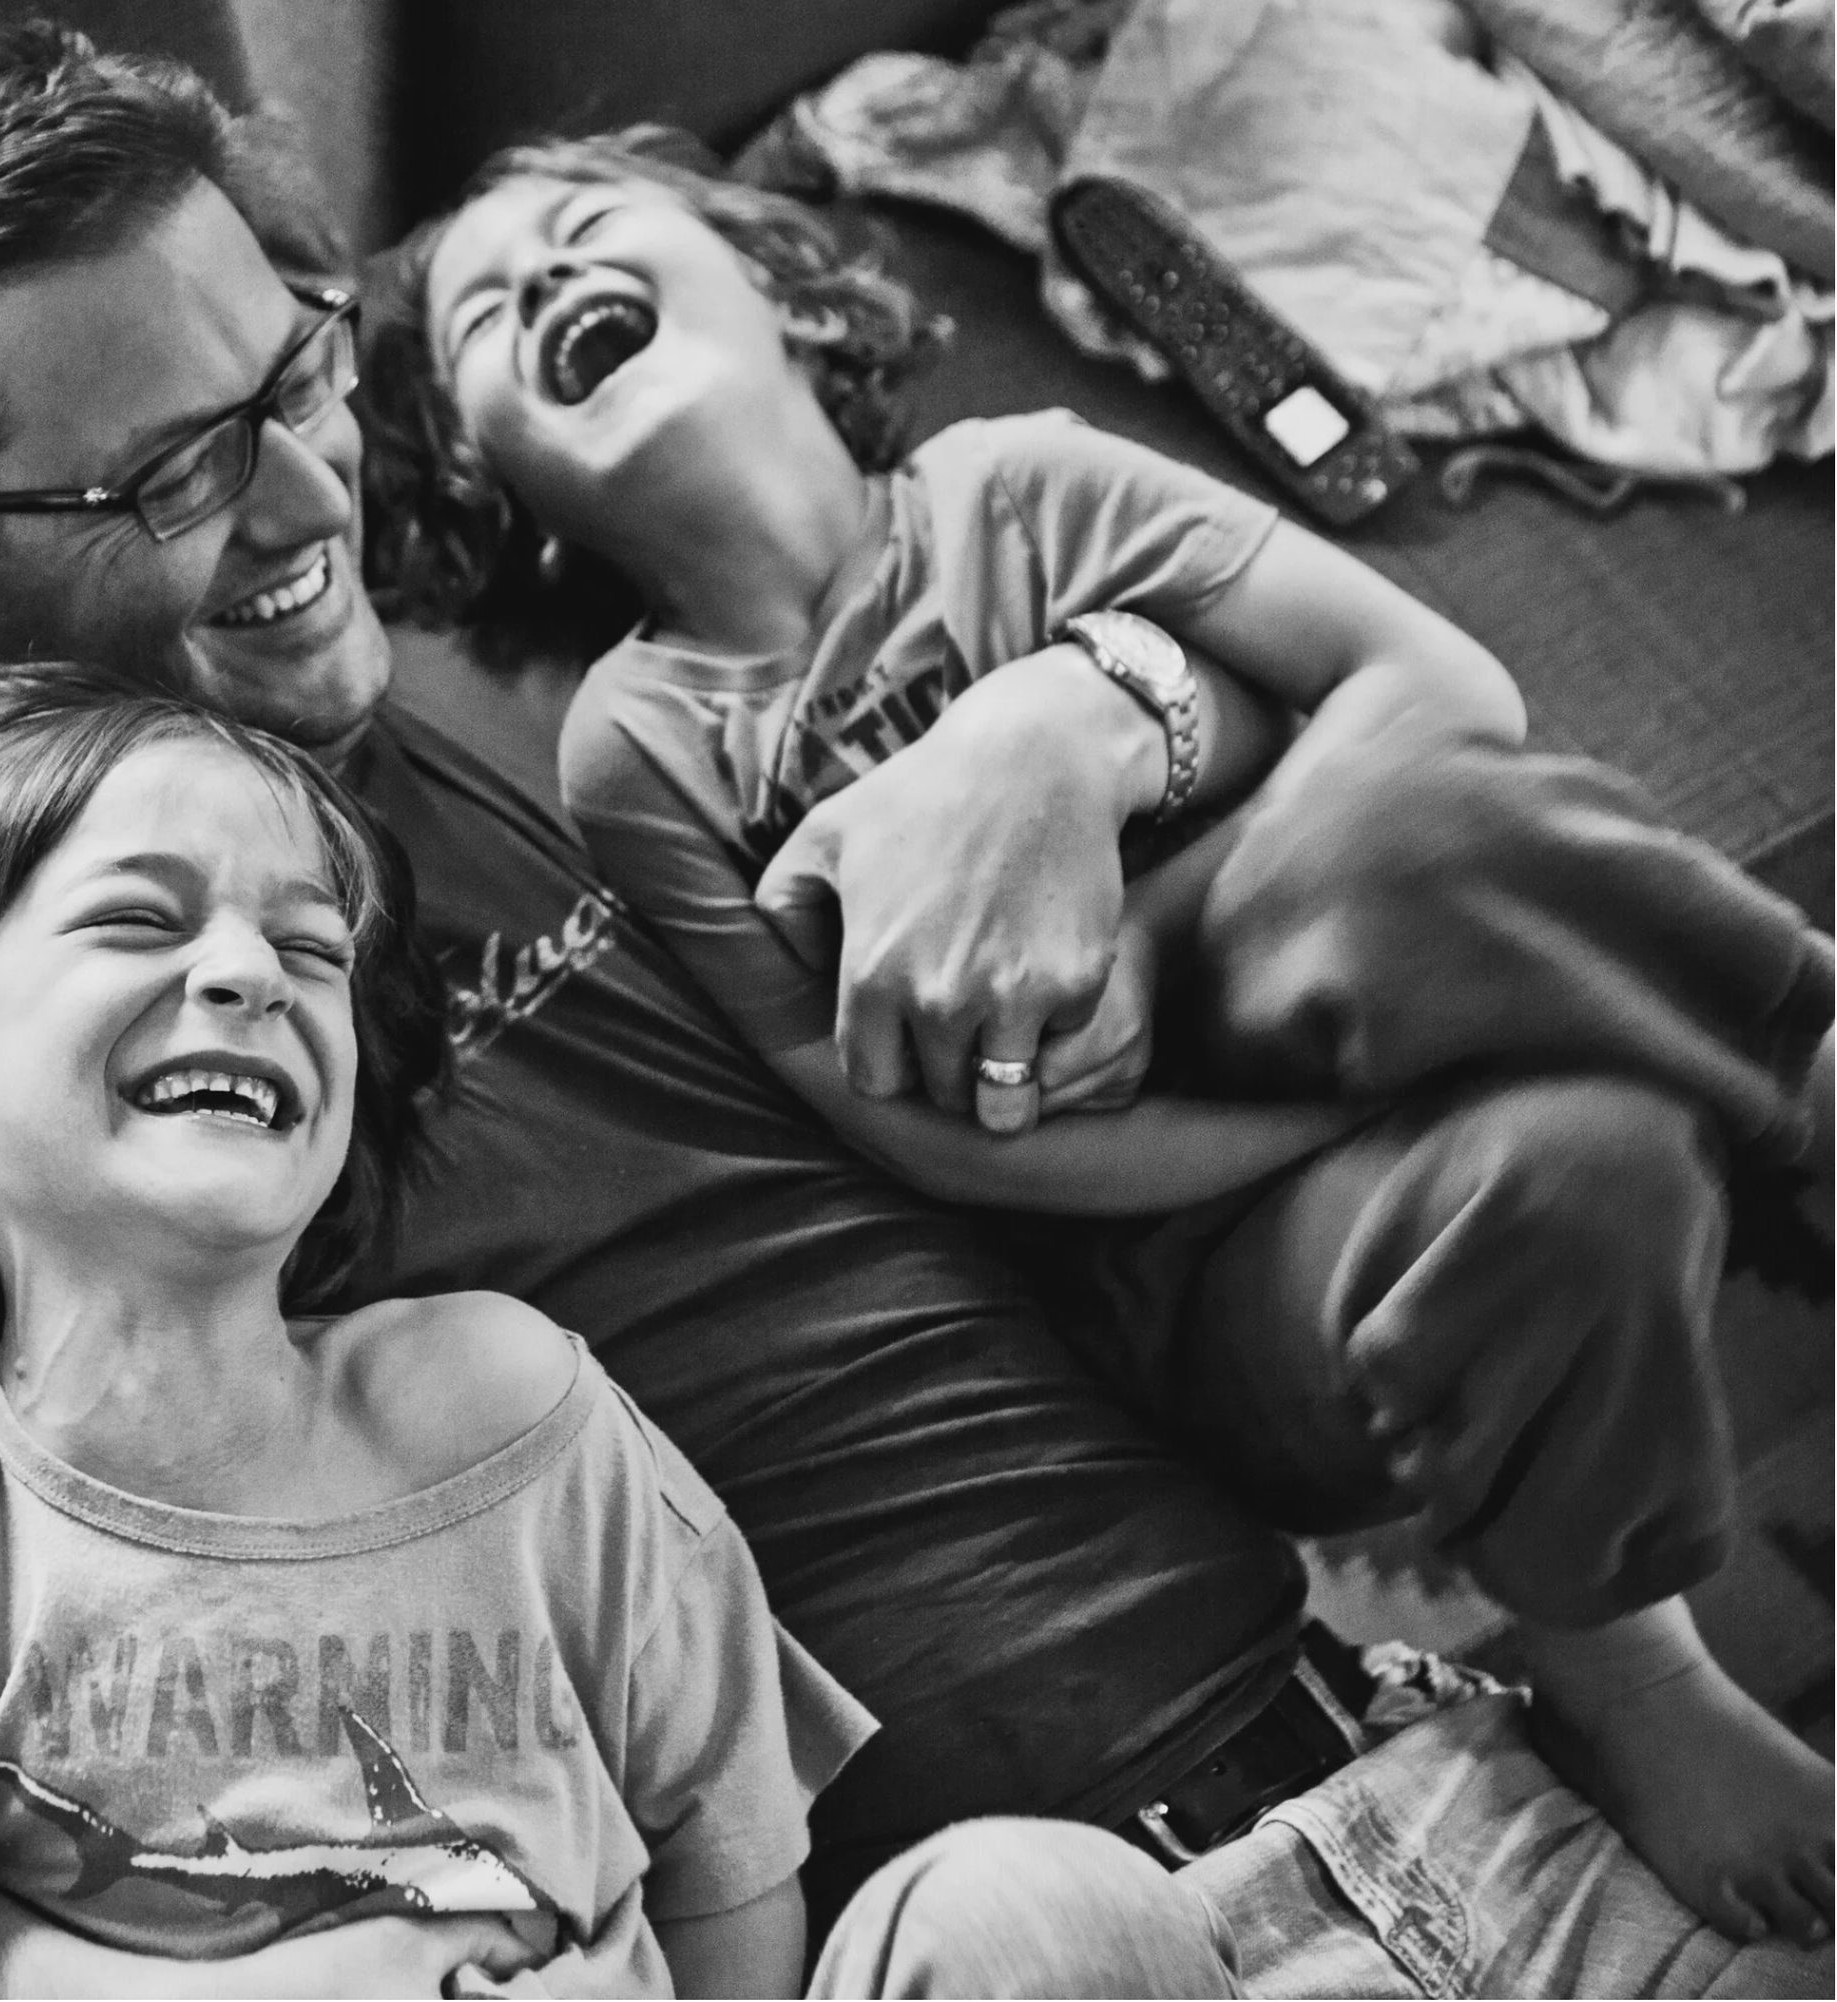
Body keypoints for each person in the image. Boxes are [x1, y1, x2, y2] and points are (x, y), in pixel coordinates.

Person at [0, 21, 1831, 1995]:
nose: (293, 502)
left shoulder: (505, 698)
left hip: (1406, 1757)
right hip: (952, 1921)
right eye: (159, 475)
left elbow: (974, 714)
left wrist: (1075, 714)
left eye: (290, 375)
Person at [357, 127, 1837, 1943]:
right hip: (1171, 1262)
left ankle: (1788, 1071)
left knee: (1448, 930)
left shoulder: (1022, 483)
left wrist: (1154, 886)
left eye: (584, 226)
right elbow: (912, 1134)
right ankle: (1639, 1673)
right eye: (485, 324)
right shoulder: (640, 745)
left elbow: (1445, 692)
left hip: (1342, 991)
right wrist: (1310, 1114)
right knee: (1531, 1078)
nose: (538, 281)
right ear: (488, 485)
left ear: (782, 291)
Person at [0, 664, 1240, 2000]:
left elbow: (732, 1872)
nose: (243, 973)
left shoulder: (510, 1401)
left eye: (307, 949)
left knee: (1024, 1912)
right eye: (139, 920)